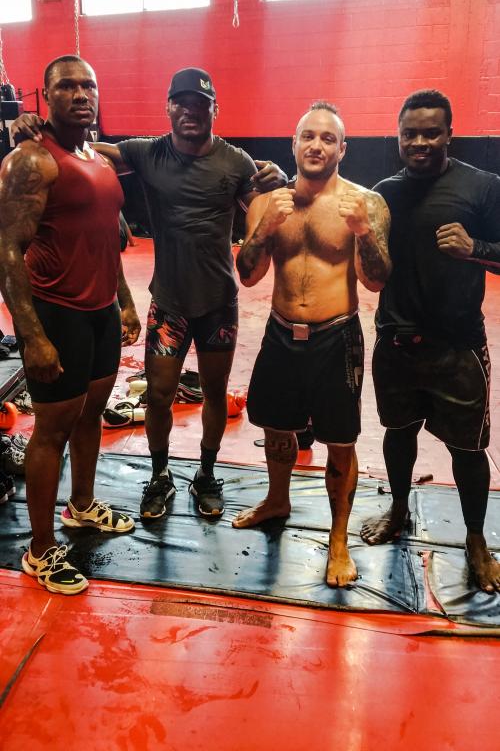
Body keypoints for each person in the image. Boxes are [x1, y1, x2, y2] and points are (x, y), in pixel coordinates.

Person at [13, 68, 286, 522]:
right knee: (158, 396)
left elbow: (264, 200)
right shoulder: (147, 152)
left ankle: (206, 473)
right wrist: (37, 129)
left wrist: (278, 176)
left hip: (219, 302)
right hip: (169, 303)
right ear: (169, 108)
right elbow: (87, 150)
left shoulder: (237, 161)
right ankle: (160, 474)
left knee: (215, 393)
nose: (191, 112)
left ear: (214, 109)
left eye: (200, 104)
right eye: (182, 103)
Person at [232, 101, 391, 587]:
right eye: (308, 136)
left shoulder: (366, 203)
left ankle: (338, 540)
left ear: (343, 148)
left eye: (327, 138)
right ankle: (277, 499)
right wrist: (263, 229)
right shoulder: (267, 203)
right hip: (281, 332)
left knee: (340, 442)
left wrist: (363, 232)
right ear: (294, 143)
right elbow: (248, 275)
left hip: (335, 337)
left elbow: (377, 281)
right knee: (275, 427)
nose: (316, 145)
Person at [0, 55, 141, 595]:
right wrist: (31, 335)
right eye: (67, 86)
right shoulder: (31, 160)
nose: (81, 94)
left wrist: (124, 302)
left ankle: (81, 506)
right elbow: (7, 250)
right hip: (57, 315)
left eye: (89, 85)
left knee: (91, 417)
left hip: (101, 312)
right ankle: (39, 550)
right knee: (51, 431)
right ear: (46, 95)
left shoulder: (98, 158)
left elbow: (106, 239)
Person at [360, 89, 500, 593]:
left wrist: (474, 247)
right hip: (396, 342)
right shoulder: (384, 194)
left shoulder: (482, 186)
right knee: (398, 432)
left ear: (449, 134)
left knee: (468, 449)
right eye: (410, 134)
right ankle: (399, 507)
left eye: (431, 133)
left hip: (457, 346)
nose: (420, 142)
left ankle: (476, 540)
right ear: (398, 137)